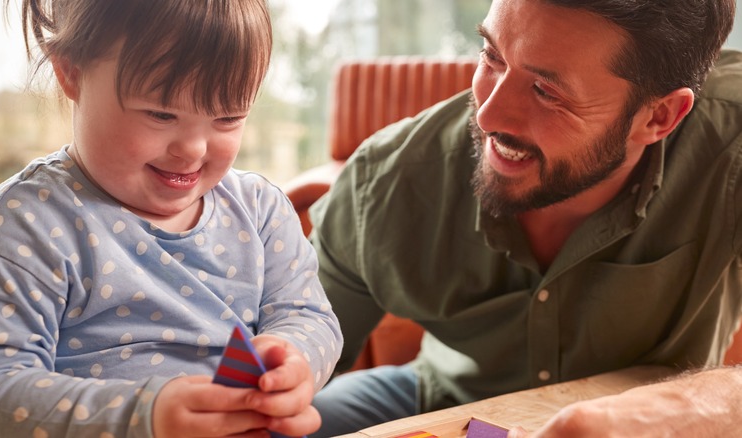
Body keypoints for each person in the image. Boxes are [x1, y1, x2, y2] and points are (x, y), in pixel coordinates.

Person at [308, 0, 742, 436]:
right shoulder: (385, 182)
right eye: (492, 56)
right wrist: (270, 380)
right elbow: (297, 340)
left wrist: (693, 408)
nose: (487, 115)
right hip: (446, 397)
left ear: (659, 116)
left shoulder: (733, 146)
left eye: (546, 92)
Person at [0, 1, 342, 437]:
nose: (194, 149)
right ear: (71, 73)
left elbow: (310, 317)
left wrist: (291, 359)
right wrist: (144, 417)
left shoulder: (260, 211)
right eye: (161, 114)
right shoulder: (22, 225)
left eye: (228, 118)